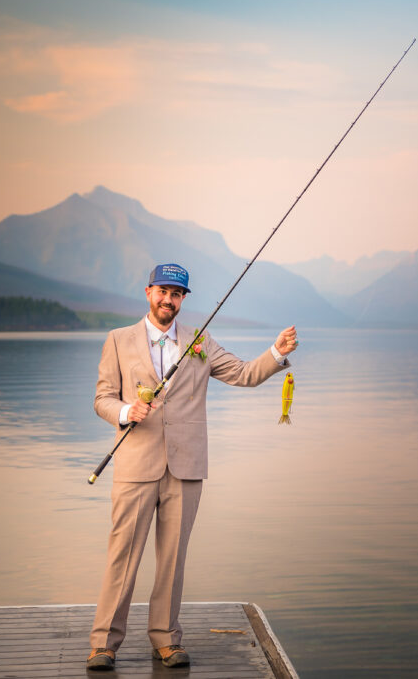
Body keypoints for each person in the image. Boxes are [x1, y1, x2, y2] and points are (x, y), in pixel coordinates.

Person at [86, 262, 297, 671]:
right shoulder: (117, 340)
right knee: (122, 556)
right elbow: (102, 398)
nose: (169, 299)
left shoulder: (200, 342)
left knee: (173, 559)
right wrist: (127, 410)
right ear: (148, 292)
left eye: (177, 294)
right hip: (134, 466)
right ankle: (103, 644)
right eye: (163, 291)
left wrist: (276, 354)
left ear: (184, 299)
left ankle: (165, 639)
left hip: (186, 469)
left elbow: (243, 374)